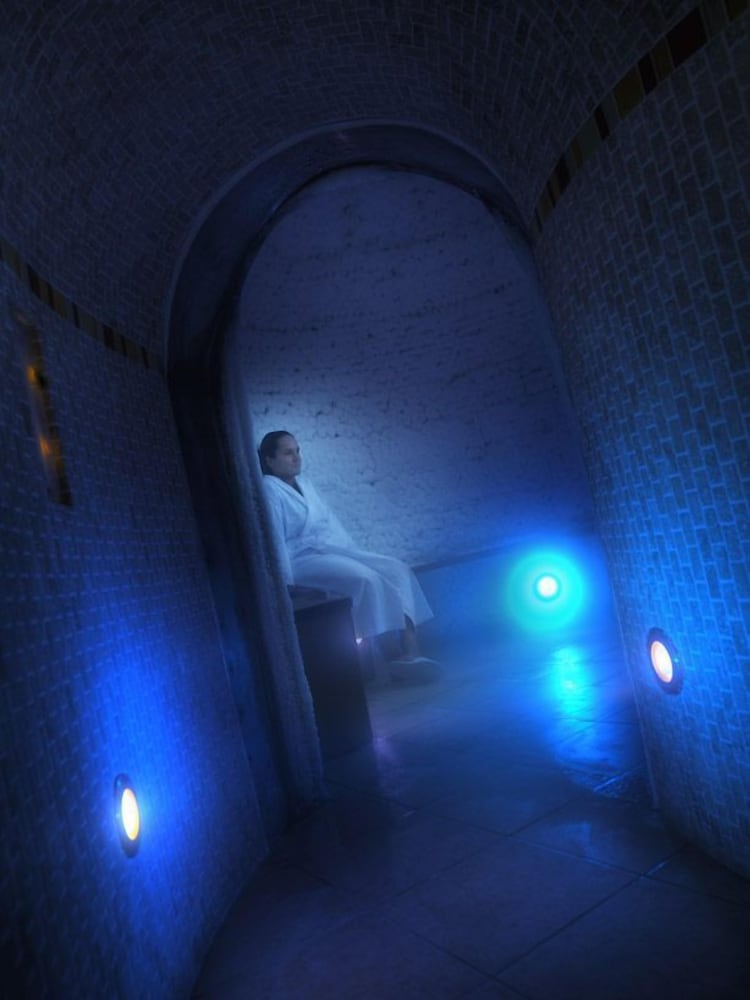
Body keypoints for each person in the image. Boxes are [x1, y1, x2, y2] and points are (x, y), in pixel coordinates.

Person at [258, 430, 434, 669]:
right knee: (366, 579)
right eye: (288, 453)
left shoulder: (306, 485)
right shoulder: (269, 488)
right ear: (269, 460)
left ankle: (412, 650)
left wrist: (352, 552)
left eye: (297, 451)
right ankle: (389, 655)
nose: (297, 457)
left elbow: (331, 523)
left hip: (331, 549)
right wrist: (285, 583)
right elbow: (274, 537)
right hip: (301, 559)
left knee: (396, 569)